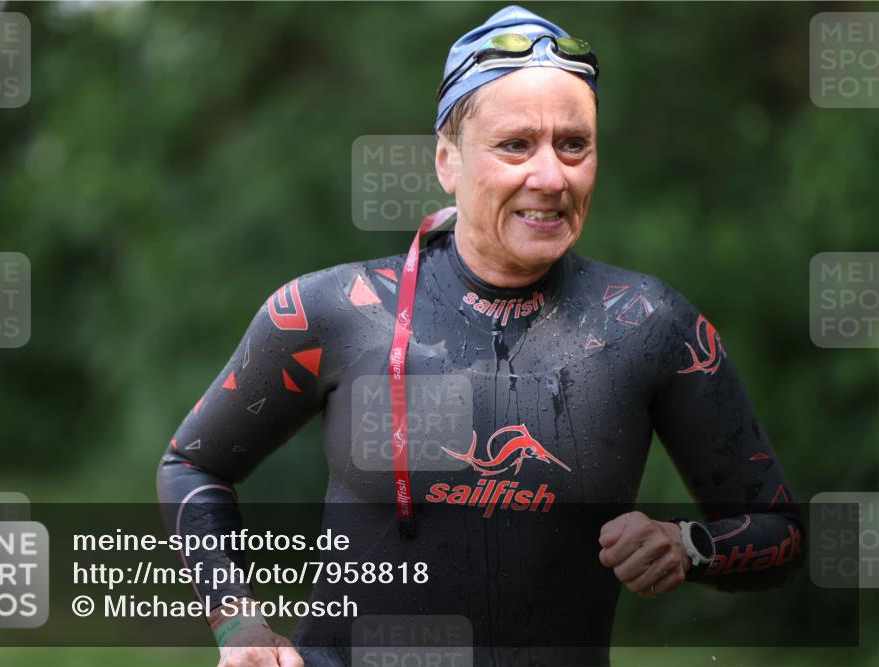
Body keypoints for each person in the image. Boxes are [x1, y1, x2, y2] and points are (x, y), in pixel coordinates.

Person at [157, 6, 804, 666]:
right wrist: (239, 626)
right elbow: (193, 465)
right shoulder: (333, 311)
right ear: (448, 161)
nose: (551, 177)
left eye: (573, 144)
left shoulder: (647, 323)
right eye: (515, 145)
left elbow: (783, 532)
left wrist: (689, 545)